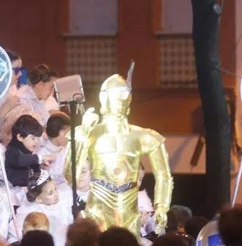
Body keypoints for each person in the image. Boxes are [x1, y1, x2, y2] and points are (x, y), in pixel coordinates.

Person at [72, 74, 173, 237]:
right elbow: (71, 175)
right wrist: (82, 136)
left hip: (128, 210)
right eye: (116, 92)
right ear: (103, 97)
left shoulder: (144, 136)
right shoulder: (90, 133)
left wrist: (162, 206)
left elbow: (163, 176)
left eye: (124, 92)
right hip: (97, 207)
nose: (120, 98)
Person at [14, 171, 73, 246]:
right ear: (38, 199)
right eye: (50, 193)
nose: (56, 194)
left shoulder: (64, 200)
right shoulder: (32, 214)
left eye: (55, 188)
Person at [4, 115, 54, 190]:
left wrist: (41, 168)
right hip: (16, 191)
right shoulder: (12, 150)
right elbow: (21, 160)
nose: (37, 142)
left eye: (38, 138)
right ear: (20, 137)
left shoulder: (27, 151)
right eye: (33, 138)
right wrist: (41, 158)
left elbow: (35, 170)